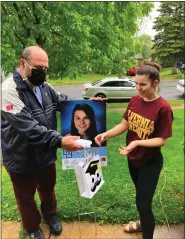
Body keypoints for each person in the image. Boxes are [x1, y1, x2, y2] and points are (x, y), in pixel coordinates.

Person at [1, 46, 104, 239]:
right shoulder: (8, 90)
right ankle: (32, 228)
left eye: (46, 68)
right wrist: (60, 140)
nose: (43, 72)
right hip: (20, 156)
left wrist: (89, 103)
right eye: (39, 67)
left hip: (46, 154)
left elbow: (63, 102)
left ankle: (50, 216)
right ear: (23, 64)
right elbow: (29, 128)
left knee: (48, 188)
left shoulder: (44, 87)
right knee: (25, 197)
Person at [95, 62, 173, 239]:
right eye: (136, 83)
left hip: (150, 162)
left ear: (155, 83)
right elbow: (125, 124)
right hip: (133, 159)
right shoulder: (135, 101)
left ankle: (146, 231)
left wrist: (138, 143)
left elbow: (162, 140)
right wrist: (106, 134)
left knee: (143, 204)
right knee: (141, 200)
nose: (138, 88)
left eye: (143, 84)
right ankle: (142, 223)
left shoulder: (163, 108)